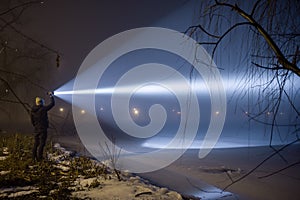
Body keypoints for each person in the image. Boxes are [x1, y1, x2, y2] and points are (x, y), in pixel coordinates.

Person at [31, 92, 55, 161]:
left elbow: (32, 121)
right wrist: (51, 96)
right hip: (43, 129)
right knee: (42, 143)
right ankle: (40, 157)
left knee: (36, 143)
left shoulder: (32, 110)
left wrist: (36, 126)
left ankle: (33, 157)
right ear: (41, 102)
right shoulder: (43, 109)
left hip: (36, 129)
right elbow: (52, 104)